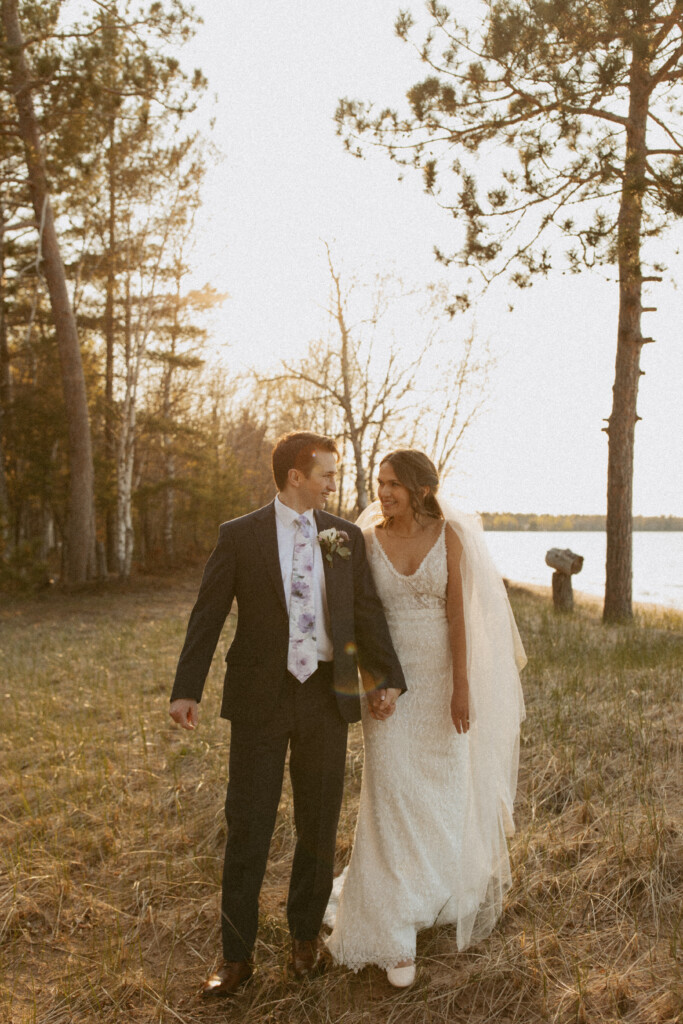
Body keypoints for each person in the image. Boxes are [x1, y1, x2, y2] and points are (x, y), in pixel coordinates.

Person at [169, 431, 406, 997]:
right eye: (326, 473)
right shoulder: (240, 535)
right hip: (259, 698)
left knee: (318, 824)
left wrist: (389, 679)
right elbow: (208, 613)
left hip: (327, 696)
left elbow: (367, 614)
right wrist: (186, 688)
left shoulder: (345, 537)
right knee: (248, 823)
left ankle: (304, 942)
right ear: (295, 476)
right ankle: (235, 957)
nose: (334, 482)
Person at [324, 450, 526, 988]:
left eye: (393, 484)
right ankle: (392, 927)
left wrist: (462, 687)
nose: (383, 492)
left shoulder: (450, 536)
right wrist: (373, 679)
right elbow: (360, 618)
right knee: (390, 793)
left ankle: (432, 893)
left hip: (441, 682)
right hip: (391, 685)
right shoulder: (366, 543)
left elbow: (458, 618)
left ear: (418, 488)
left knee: (442, 789)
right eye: (379, 482)